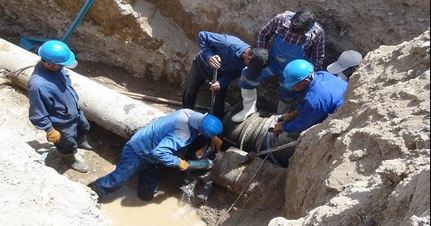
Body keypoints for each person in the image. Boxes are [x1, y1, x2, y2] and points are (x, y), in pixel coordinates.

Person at [90, 109, 223, 201]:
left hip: (151, 155)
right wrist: (180, 163)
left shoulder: (191, 114)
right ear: (199, 130)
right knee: (117, 180)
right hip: (138, 151)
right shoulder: (182, 134)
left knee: (146, 195)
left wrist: (213, 136)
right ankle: (92, 192)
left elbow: (204, 123)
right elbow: (159, 152)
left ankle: (143, 185)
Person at [232, 9, 325, 122]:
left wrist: (308, 79)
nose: (292, 32)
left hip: (293, 72)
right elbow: (263, 33)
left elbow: (317, 58)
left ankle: (278, 120)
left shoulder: (317, 33)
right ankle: (249, 109)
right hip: (271, 62)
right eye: (291, 28)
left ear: (307, 29)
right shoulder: (281, 19)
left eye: (297, 32)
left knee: (288, 96)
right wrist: (261, 54)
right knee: (248, 76)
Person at [28, 40, 93, 173]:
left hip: (74, 111)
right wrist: (50, 130)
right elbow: (37, 113)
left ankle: (80, 142)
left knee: (84, 127)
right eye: (61, 64)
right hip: (61, 122)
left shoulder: (58, 69)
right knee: (66, 143)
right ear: (49, 63)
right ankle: (70, 159)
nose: (64, 66)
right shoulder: (38, 85)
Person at [269, 59, 347, 166]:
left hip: (342, 121)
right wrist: (295, 113)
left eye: (293, 85)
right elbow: (307, 98)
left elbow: (301, 124)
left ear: (305, 81)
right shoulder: (322, 74)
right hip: (336, 104)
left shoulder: (314, 101)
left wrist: (283, 126)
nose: (292, 88)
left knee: (294, 136)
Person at [182, 31, 268, 118]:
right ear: (249, 58)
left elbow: (233, 74)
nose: (249, 68)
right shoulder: (228, 43)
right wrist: (210, 57)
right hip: (201, 65)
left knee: (218, 104)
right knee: (190, 90)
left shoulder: (245, 64)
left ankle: (216, 122)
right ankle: (186, 115)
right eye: (250, 66)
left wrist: (220, 83)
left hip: (221, 74)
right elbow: (202, 35)